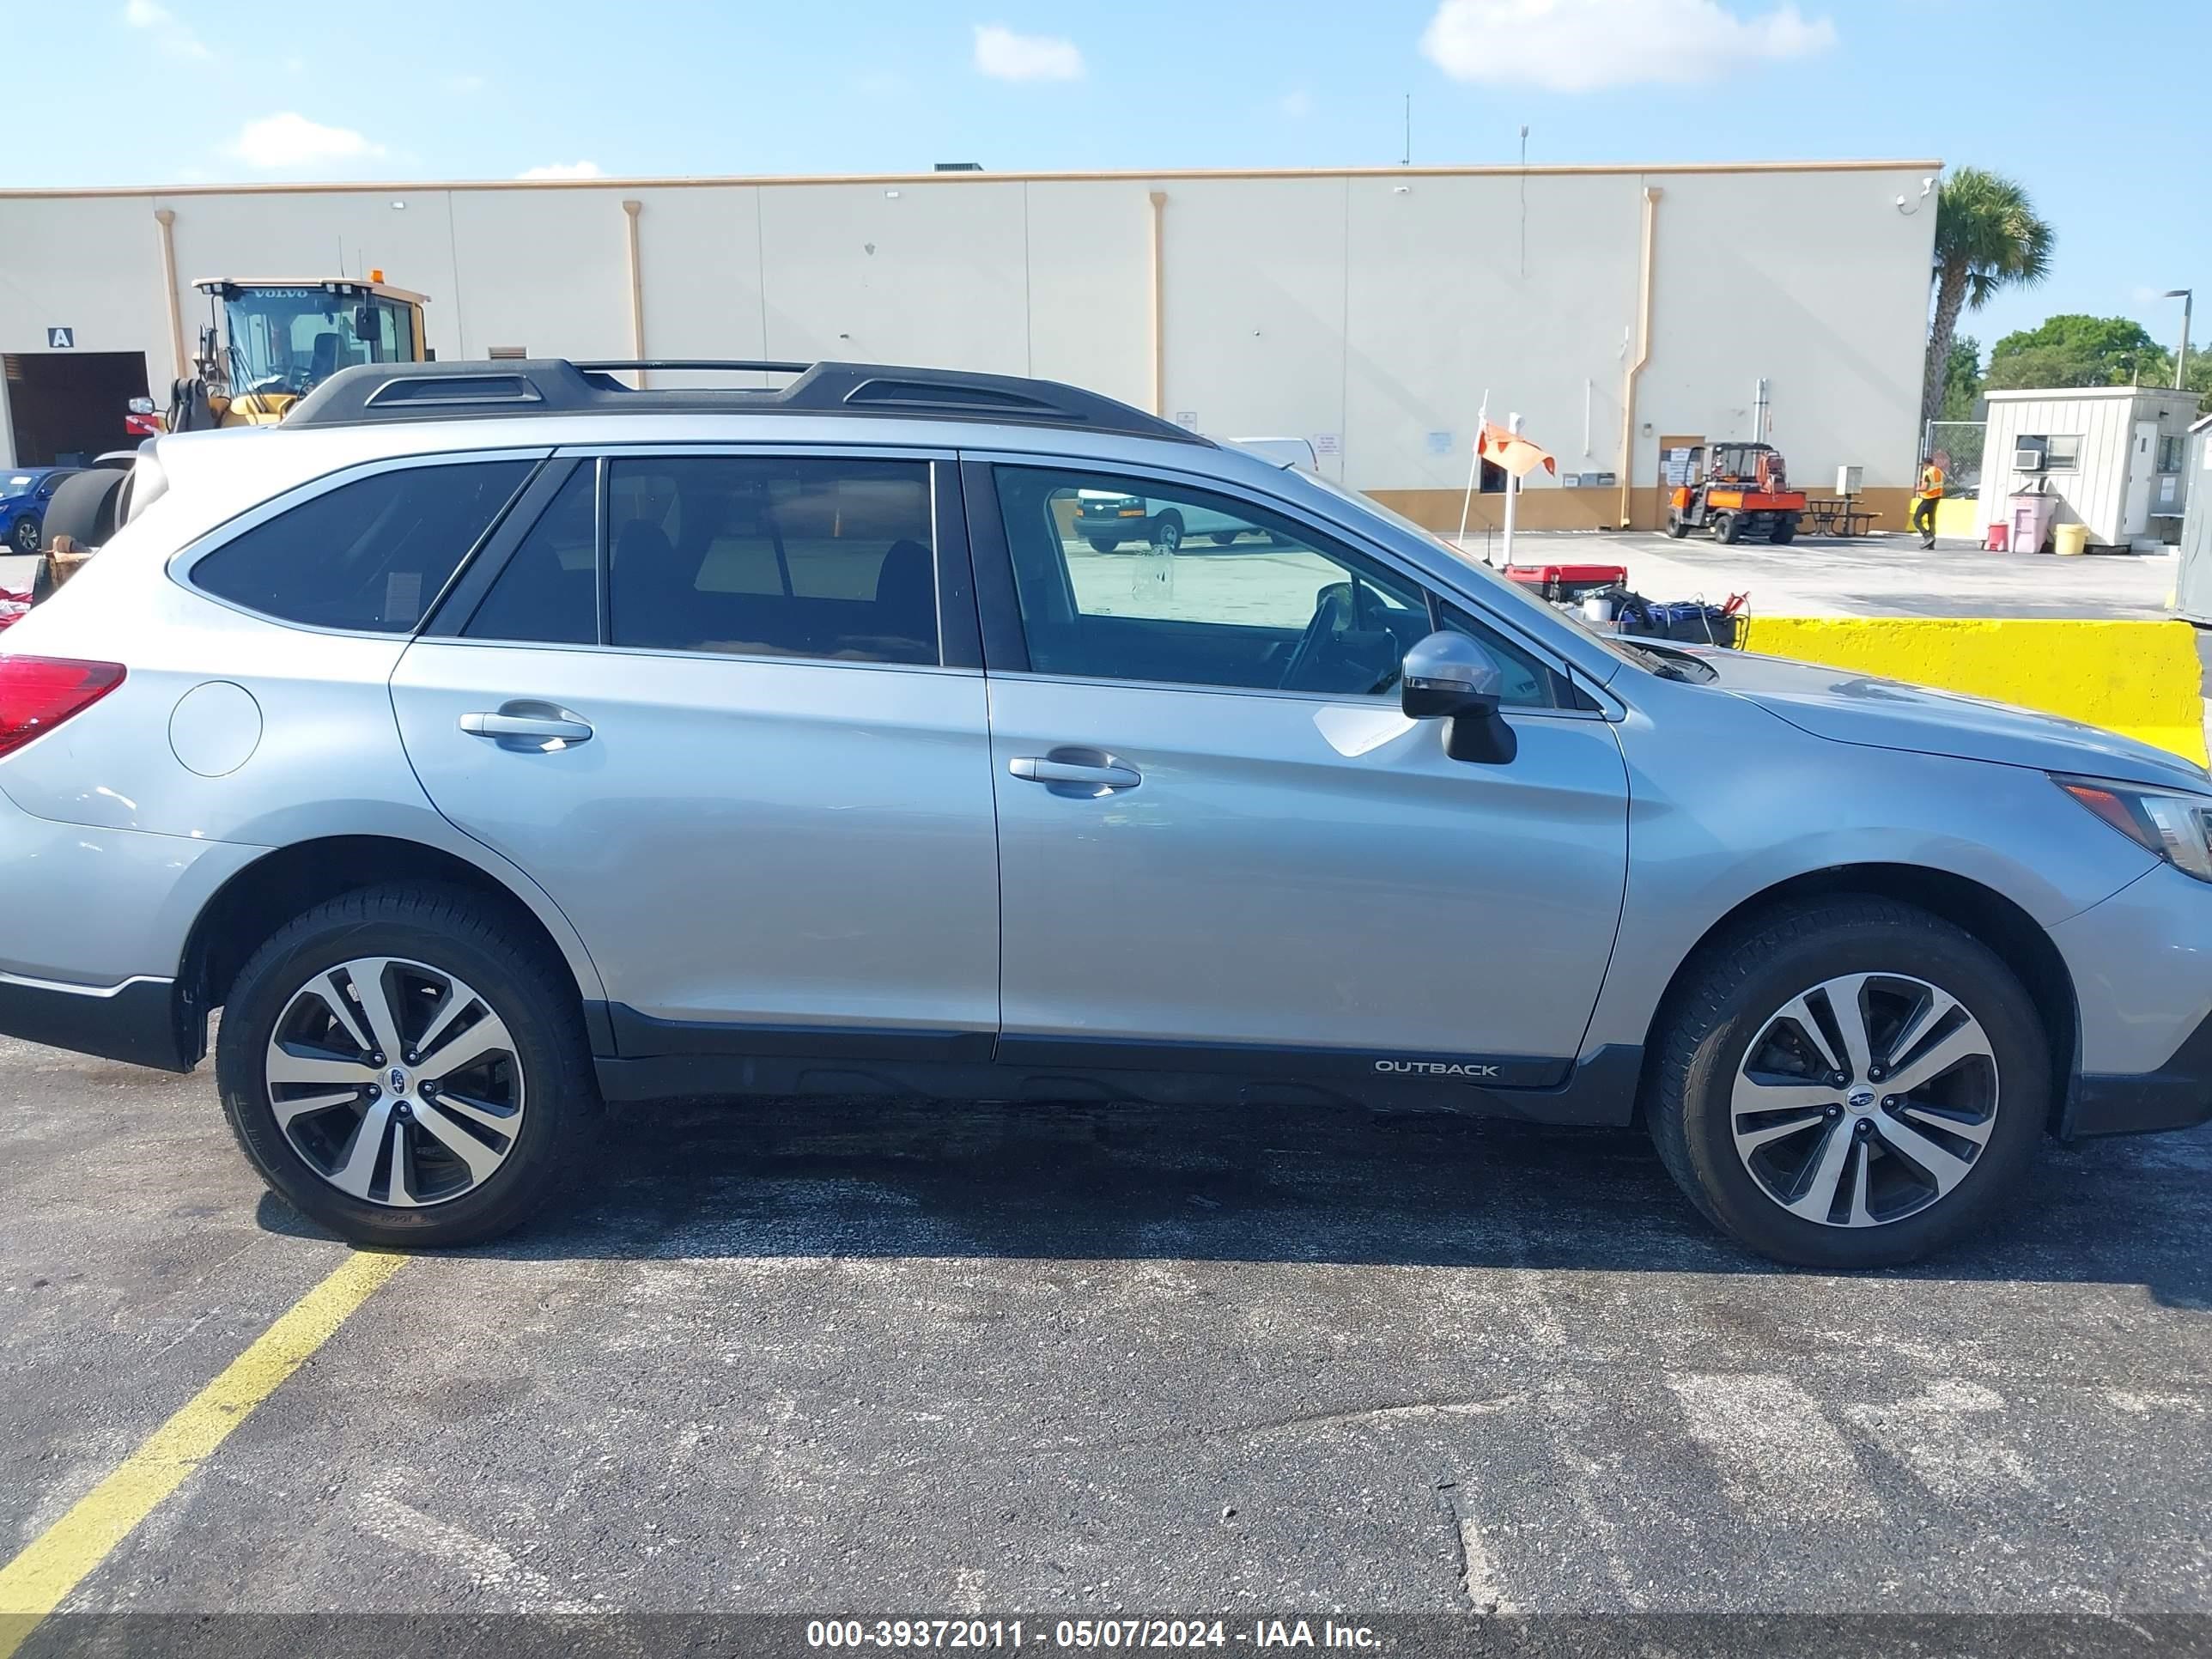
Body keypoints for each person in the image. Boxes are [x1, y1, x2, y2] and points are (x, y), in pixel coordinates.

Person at [1911, 454, 1945, 549]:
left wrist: (1918, 489)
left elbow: (1925, 487)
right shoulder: (1939, 472)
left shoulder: (1928, 473)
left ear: (1926, 464)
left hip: (1928, 499)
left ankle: (1927, 536)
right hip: (1936, 498)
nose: (1923, 467)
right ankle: (1932, 543)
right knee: (1931, 520)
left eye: (1923, 465)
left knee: (1916, 520)